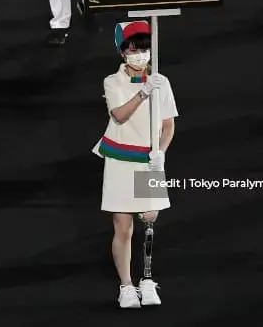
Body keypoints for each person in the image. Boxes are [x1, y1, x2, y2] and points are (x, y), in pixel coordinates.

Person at [92, 21, 178, 309]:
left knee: (150, 221)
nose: (140, 54)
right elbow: (119, 115)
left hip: (149, 161)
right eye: (134, 48)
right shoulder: (112, 82)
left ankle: (148, 279)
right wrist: (143, 92)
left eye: (144, 48)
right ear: (122, 52)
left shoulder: (161, 82)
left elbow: (168, 125)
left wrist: (161, 153)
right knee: (123, 226)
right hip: (120, 159)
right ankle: (126, 286)